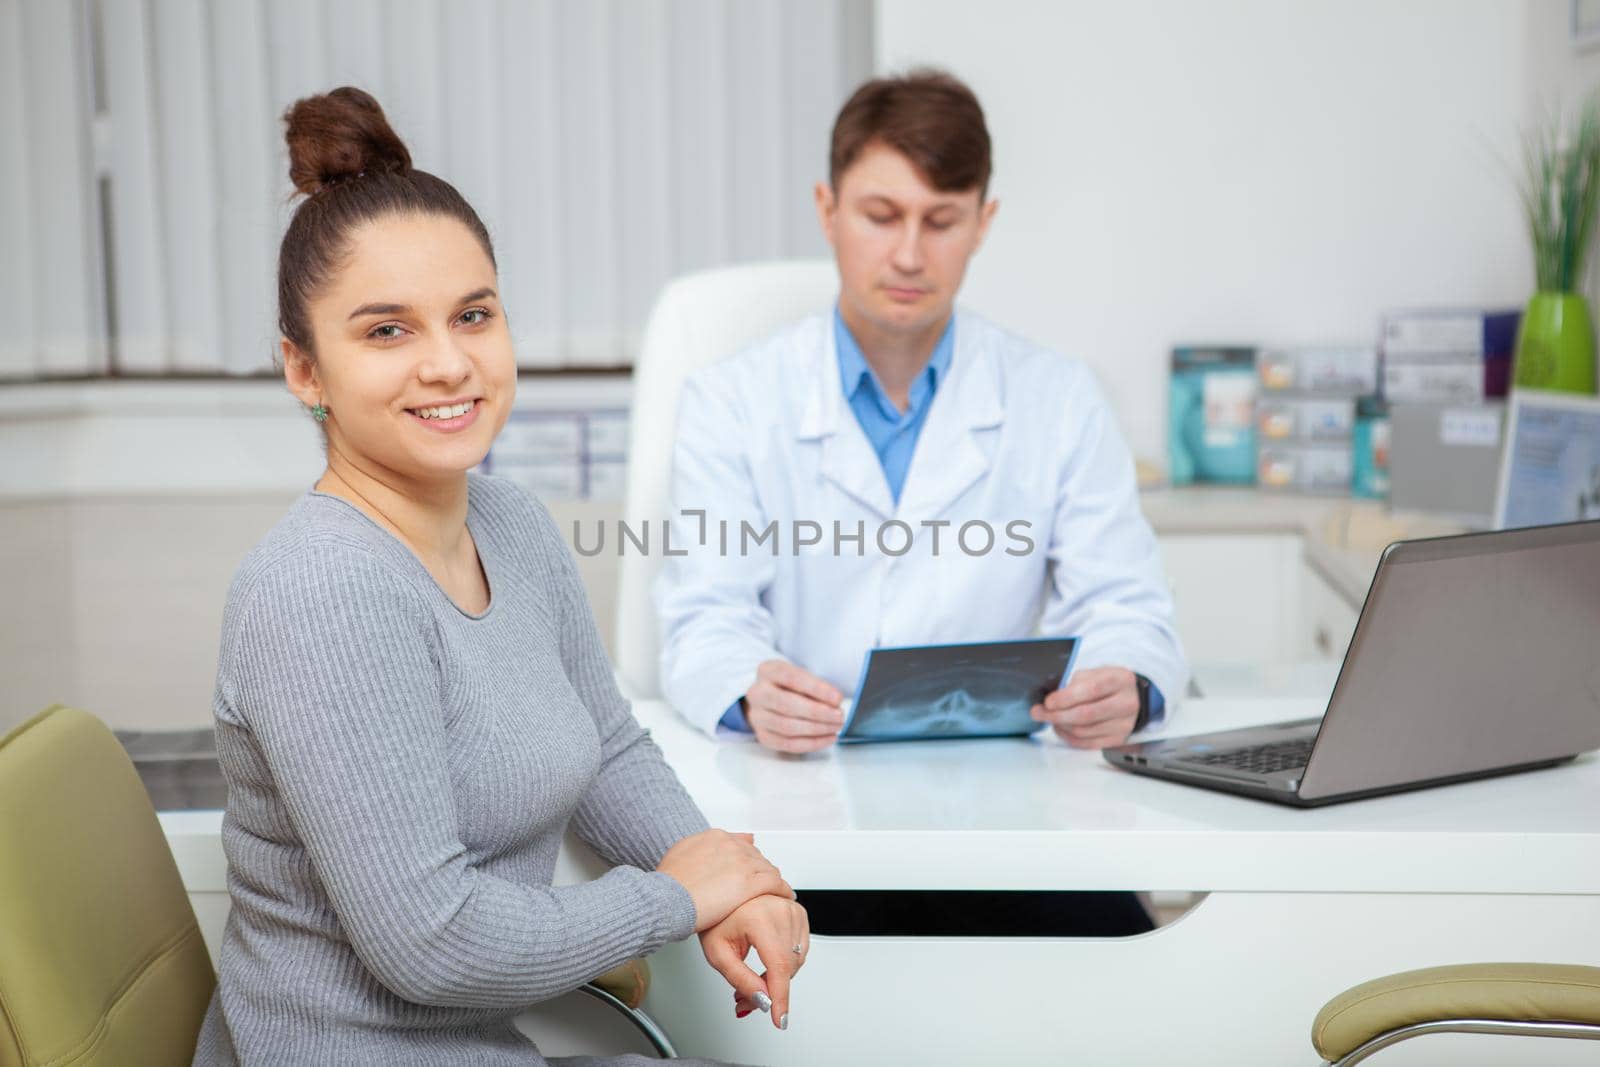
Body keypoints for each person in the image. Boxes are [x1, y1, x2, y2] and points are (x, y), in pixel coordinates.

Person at [193, 87, 805, 1066]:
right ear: (304, 371)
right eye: (386, 330)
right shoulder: (322, 589)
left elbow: (606, 745)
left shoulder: (507, 520)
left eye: (472, 315)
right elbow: (430, 944)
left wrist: (737, 879)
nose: (448, 363)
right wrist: (679, 894)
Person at [655, 70, 1188, 938]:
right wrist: (751, 692)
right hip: (806, 819)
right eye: (881, 215)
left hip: (1013, 823)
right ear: (828, 210)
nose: (910, 253)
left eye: (941, 220)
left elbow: (1128, 604)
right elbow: (704, 618)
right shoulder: (733, 400)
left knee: (1118, 972)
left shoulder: (1059, 397)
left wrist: (1124, 682)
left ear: (984, 222)